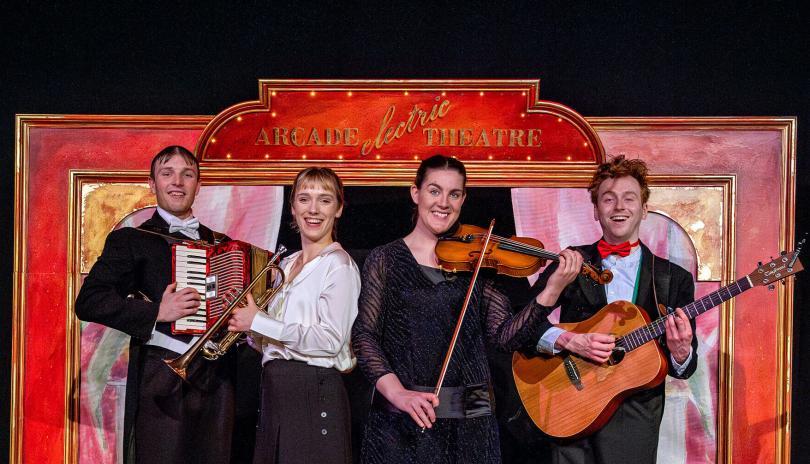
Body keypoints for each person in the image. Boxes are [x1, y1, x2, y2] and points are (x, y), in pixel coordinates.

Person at [351, 154, 559, 463]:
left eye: (454, 193)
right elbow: (364, 337)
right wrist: (397, 393)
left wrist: (551, 290)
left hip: (472, 425)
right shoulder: (385, 260)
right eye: (434, 190)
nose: (443, 202)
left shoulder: (479, 262)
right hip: (403, 423)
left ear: (463, 199)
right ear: (415, 193)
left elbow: (504, 338)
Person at [529, 155, 698, 464]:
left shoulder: (674, 278)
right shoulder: (572, 262)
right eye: (609, 199)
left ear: (644, 209)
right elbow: (522, 325)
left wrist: (681, 351)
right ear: (596, 211)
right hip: (570, 401)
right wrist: (568, 340)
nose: (619, 206)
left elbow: (682, 365)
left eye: (629, 198)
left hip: (634, 417)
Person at [75, 146, 237, 464]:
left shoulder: (224, 244)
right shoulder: (131, 240)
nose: (177, 182)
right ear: (152, 184)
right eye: (167, 174)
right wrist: (157, 312)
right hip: (160, 379)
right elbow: (89, 301)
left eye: (187, 174)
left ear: (198, 185)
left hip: (217, 382)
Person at [228, 167, 360, 464]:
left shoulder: (338, 265)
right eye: (304, 199)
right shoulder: (285, 264)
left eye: (324, 200)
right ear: (292, 207)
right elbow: (276, 342)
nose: (313, 209)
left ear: (338, 209)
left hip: (314, 390)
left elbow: (329, 341)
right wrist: (248, 330)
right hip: (277, 390)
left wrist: (258, 322)